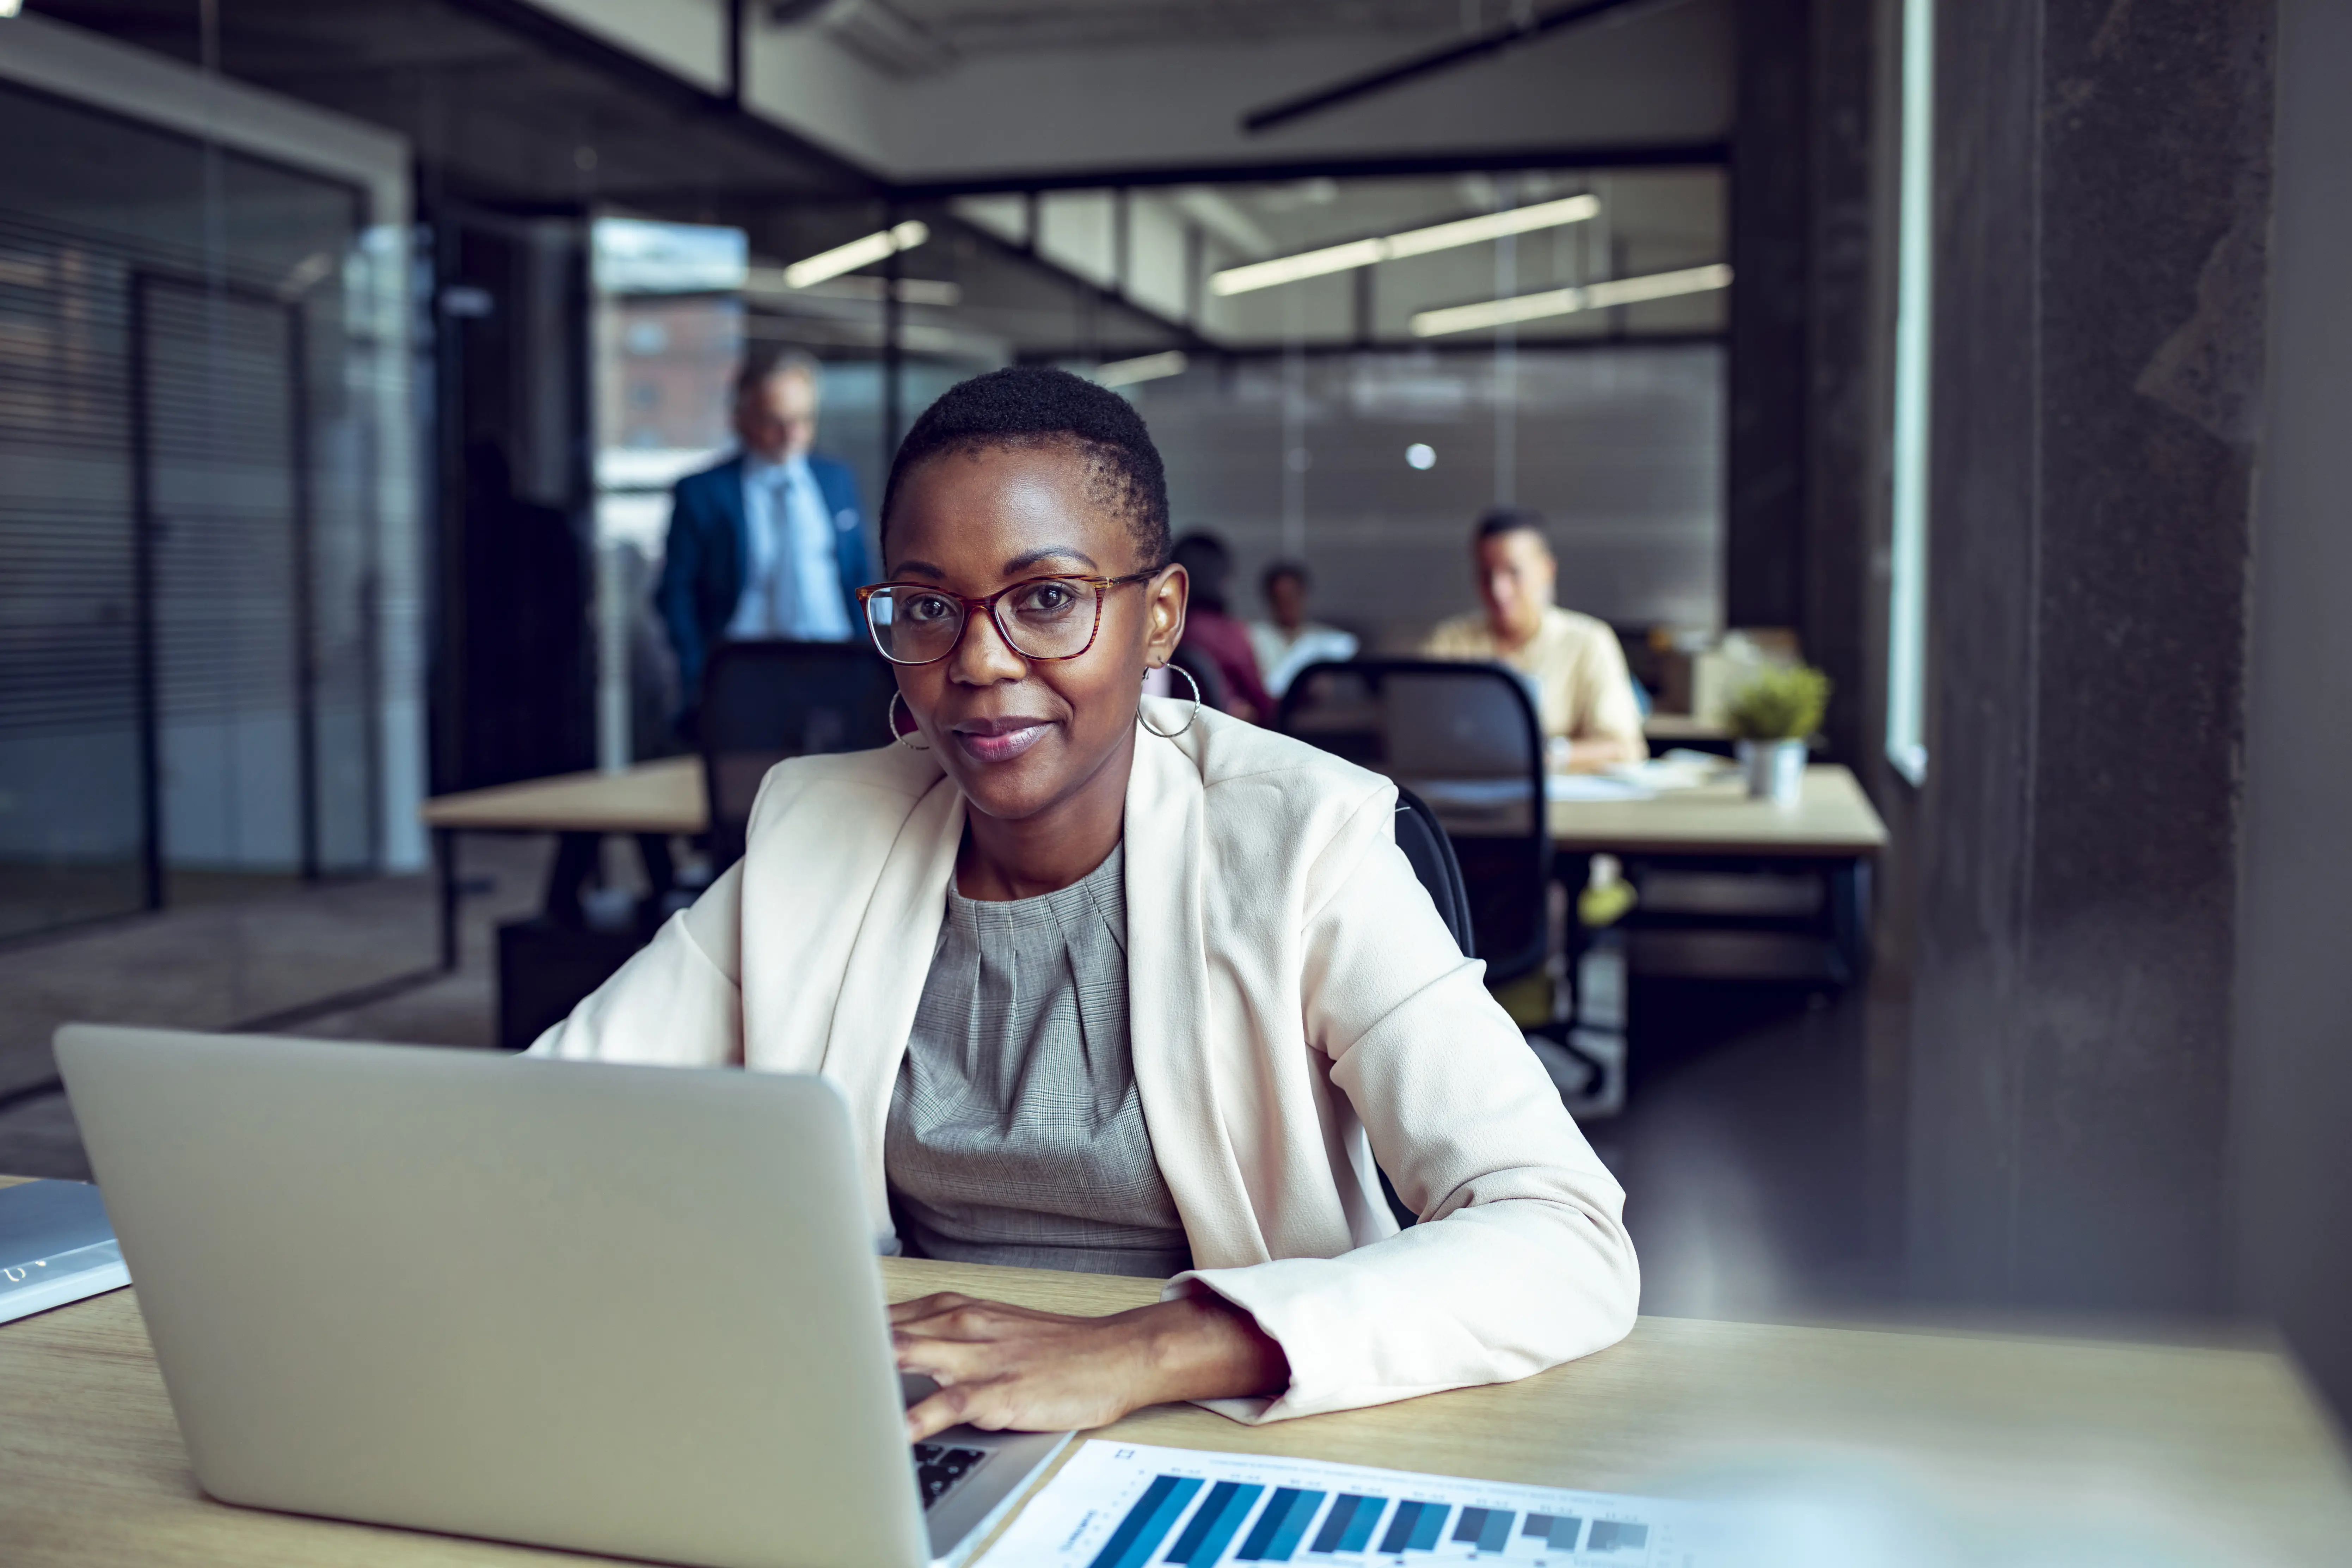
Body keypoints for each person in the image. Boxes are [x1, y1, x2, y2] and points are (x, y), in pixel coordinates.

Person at [532, 367, 1636, 1437]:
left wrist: (1135, 1350)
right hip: (913, 1423)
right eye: (926, 605)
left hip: (1229, 1428)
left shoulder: (1303, 841)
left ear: (1158, 618)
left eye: (1047, 599)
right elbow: (538, 1125)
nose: (976, 660)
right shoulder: (819, 831)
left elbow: (1564, 1232)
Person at [655, 349, 873, 721]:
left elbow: (858, 577)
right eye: (775, 421)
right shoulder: (703, 492)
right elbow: (675, 592)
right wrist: (698, 675)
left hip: (836, 664)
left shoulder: (835, 479)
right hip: (744, 672)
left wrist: (873, 661)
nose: (792, 435)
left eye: (803, 419)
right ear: (740, 420)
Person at [1423, 509, 1648, 770]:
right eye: (1486, 574)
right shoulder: (1448, 642)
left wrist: (1550, 755)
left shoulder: (1589, 641)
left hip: (1560, 804)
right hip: (1461, 800)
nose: (1498, 590)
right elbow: (1421, 735)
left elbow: (1625, 746)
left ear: (1547, 570)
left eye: (1514, 572)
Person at [1168, 531, 1275, 724]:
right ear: (1221, 579)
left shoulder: (1166, 630)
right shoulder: (1228, 634)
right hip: (1229, 732)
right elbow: (1264, 703)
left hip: (1177, 728)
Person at [1247, 560, 1358, 700]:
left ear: (1304, 596)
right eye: (1280, 598)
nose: (1287, 604)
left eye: (1292, 596)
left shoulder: (1327, 640)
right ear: (1270, 599)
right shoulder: (1253, 637)